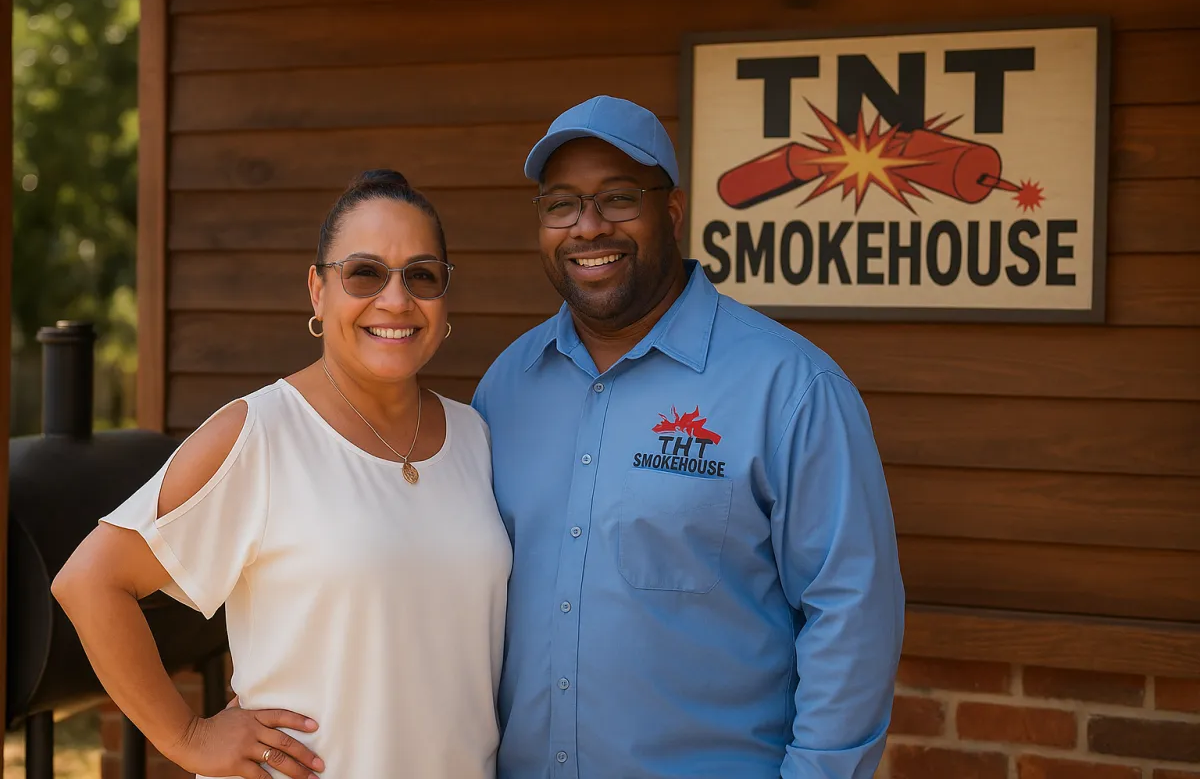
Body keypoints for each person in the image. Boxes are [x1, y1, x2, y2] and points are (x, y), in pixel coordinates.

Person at [472, 96, 905, 779]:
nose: (587, 227)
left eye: (617, 199)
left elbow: (850, 611)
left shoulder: (790, 388)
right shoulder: (507, 386)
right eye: (561, 204)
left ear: (670, 213)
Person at [53, 170, 512, 779]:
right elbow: (89, 582)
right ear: (318, 291)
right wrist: (187, 736)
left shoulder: (474, 437)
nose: (396, 300)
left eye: (421, 276)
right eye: (365, 273)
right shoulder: (262, 433)